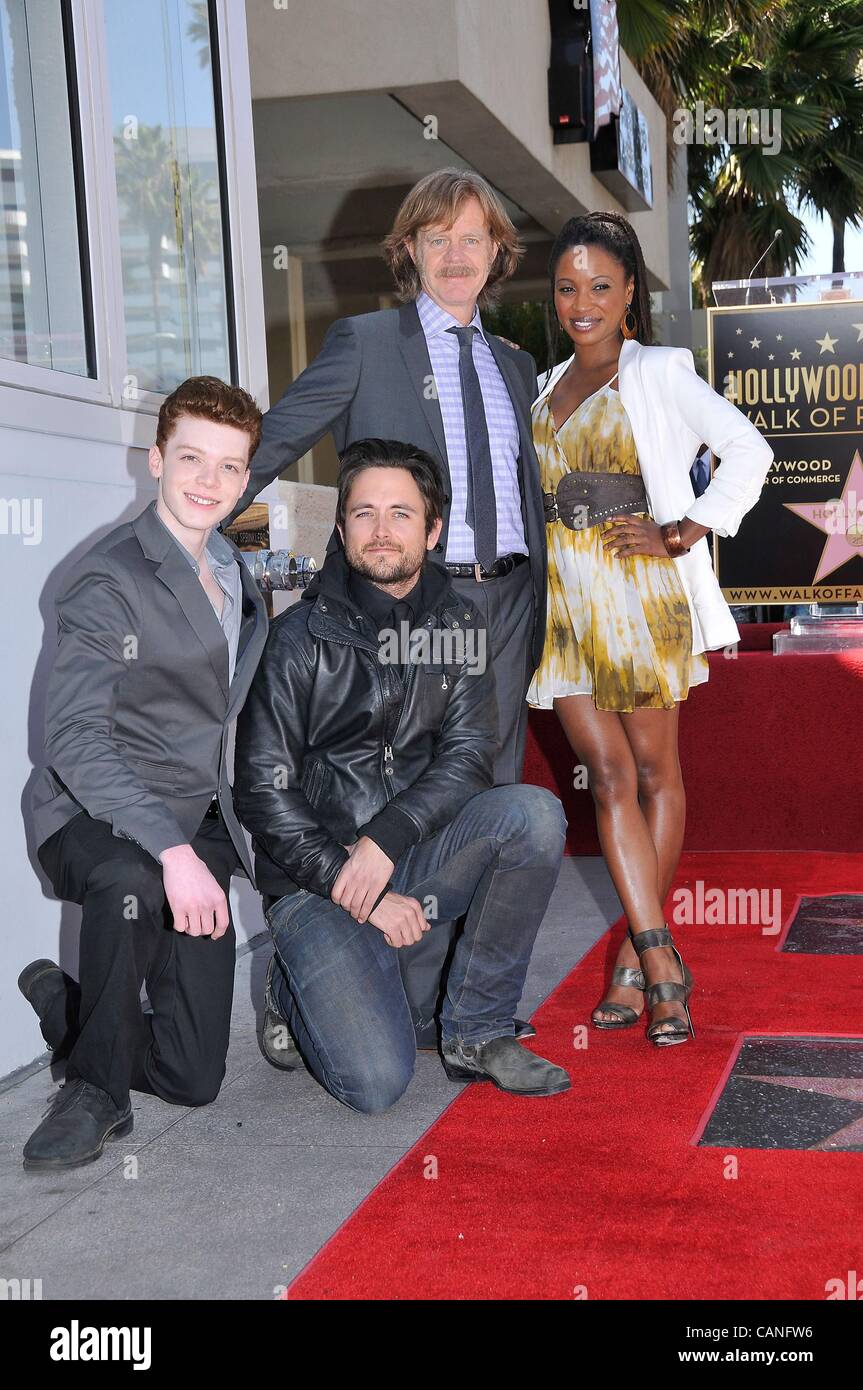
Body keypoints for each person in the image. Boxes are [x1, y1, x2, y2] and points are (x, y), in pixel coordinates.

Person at [223, 167, 549, 1037]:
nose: (454, 254)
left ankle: (469, 1009)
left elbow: (525, 488)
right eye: (435, 237)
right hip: (408, 606)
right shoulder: (366, 341)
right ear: (409, 249)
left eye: (472, 238)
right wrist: (200, 518)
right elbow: (281, 434)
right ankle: (316, 970)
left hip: (507, 601)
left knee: (490, 801)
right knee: (387, 786)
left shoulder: (517, 365)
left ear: (496, 254)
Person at [233, 438, 570, 1111]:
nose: (381, 531)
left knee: (531, 814)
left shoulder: (457, 623)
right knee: (375, 1085)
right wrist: (345, 879)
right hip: (316, 880)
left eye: (400, 513)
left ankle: (476, 1030)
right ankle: (290, 983)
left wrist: (388, 837)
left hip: (411, 855)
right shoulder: (298, 638)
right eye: (362, 514)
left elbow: (468, 756)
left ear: (432, 528)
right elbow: (262, 791)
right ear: (340, 528)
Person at [528, 211, 773, 1046]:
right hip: (565, 604)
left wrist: (683, 530)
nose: (582, 301)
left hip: (639, 594)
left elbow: (748, 450)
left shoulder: (660, 371)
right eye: (568, 287)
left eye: (600, 285)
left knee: (651, 772)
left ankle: (638, 965)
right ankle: (658, 958)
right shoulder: (540, 389)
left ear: (630, 290)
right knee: (604, 775)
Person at [20, 377, 268, 1170]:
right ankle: (93, 1090)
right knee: (131, 875)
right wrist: (173, 849)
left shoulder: (235, 573)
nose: (209, 481)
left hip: (195, 823)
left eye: (230, 467)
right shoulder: (108, 577)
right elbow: (74, 739)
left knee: (193, 1078)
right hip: (87, 815)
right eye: (192, 458)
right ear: (156, 458)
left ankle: (72, 1012)